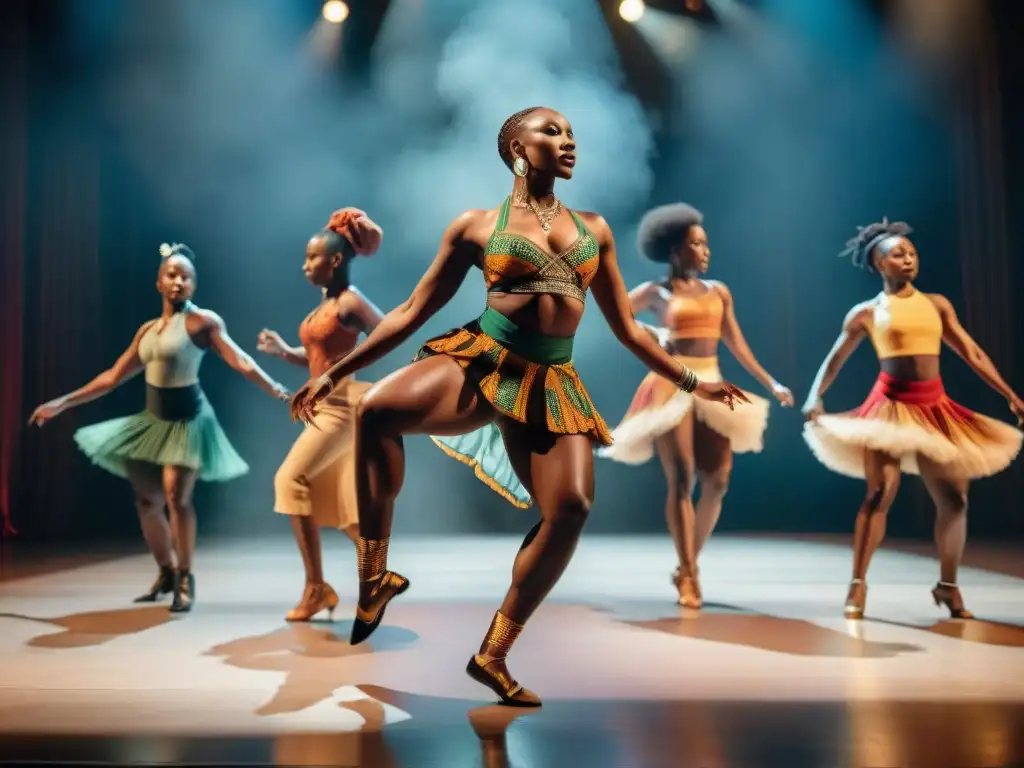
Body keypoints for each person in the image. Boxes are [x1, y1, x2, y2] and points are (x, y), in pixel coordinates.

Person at [290, 106, 747, 706]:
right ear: (515, 149)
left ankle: (493, 654)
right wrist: (337, 374)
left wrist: (694, 383)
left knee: (573, 508)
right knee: (376, 410)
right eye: (552, 131)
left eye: (572, 134)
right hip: (480, 360)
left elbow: (631, 332)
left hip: (550, 380)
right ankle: (374, 576)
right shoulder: (476, 226)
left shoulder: (595, 229)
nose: (567, 141)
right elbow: (410, 311)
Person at [29, 243, 289, 613]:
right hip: (153, 422)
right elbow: (112, 377)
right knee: (147, 501)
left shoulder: (202, 322)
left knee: (176, 498)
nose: (179, 281)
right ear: (158, 282)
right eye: (172, 275)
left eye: (186, 277)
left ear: (194, 284)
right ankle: (166, 571)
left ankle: (185, 576)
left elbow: (241, 361)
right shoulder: (148, 332)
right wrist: (63, 401)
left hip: (189, 421)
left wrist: (278, 391)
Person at [802, 219, 1024, 619]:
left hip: (935, 409)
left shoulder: (937, 305)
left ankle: (948, 587)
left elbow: (971, 352)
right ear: (877, 264)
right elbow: (836, 358)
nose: (907, 259)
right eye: (897, 254)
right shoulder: (867, 313)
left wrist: (1010, 395)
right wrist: (815, 395)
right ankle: (857, 585)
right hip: (888, 408)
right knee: (879, 493)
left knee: (955, 500)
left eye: (911, 253)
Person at [598, 203, 793, 608]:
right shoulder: (656, 292)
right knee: (683, 477)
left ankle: (687, 562)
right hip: (672, 384)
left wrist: (770, 382)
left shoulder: (718, 291)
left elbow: (736, 343)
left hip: (714, 383)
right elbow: (614, 315)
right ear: (674, 250)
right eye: (696, 244)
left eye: (706, 243)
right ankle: (689, 574)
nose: (705, 251)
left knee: (718, 479)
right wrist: (652, 331)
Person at [257, 208, 385, 622]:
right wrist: (284, 351)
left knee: (290, 480)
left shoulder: (350, 301)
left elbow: (386, 332)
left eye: (312, 258)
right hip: (323, 404)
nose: (304, 265)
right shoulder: (326, 304)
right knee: (328, 499)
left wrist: (337, 374)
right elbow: (316, 359)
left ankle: (317, 588)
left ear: (334, 260)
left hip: (343, 405)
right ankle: (374, 573)